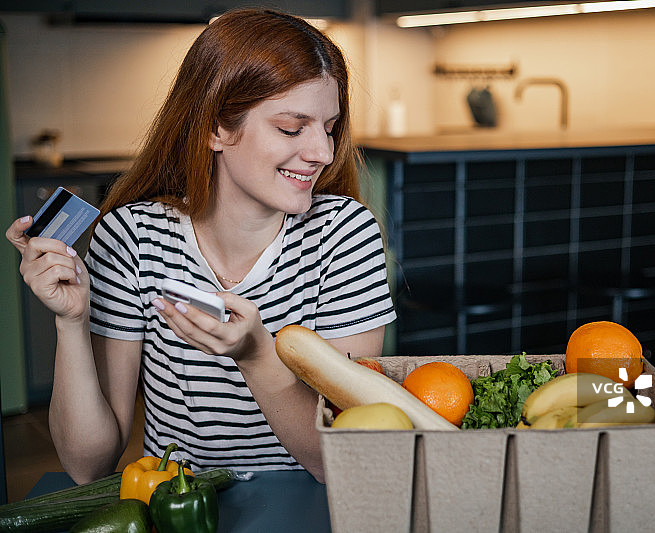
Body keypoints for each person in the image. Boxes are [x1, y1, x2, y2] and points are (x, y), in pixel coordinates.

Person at [5, 8, 396, 484]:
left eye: (330, 127)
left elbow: (338, 462)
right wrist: (70, 323)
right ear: (215, 128)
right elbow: (89, 466)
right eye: (291, 129)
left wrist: (256, 356)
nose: (323, 153)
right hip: (182, 505)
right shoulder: (132, 237)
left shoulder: (344, 235)